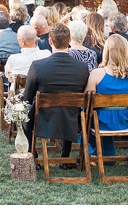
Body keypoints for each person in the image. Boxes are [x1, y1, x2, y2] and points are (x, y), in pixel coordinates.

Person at [21, 23, 89, 159]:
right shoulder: (82, 68)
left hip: (43, 118)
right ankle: (65, 156)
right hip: (72, 119)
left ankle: (31, 154)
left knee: (24, 113)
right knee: (68, 109)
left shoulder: (38, 66)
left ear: (50, 41)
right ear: (69, 41)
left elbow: (27, 97)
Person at [86, 33, 128, 157]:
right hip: (124, 120)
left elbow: (87, 101)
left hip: (100, 121)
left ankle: (92, 150)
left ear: (107, 52)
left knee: (84, 112)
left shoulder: (96, 74)